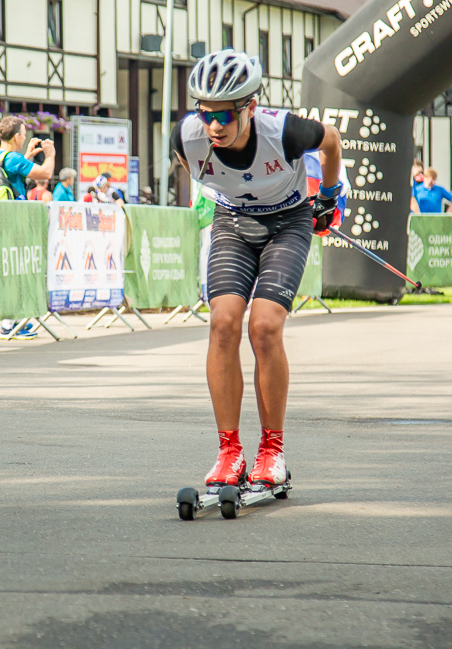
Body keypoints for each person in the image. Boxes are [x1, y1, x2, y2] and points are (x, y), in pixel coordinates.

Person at [171, 48, 342, 489]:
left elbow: (333, 140)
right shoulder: (186, 137)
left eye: (225, 116)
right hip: (234, 223)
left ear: (249, 107)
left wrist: (328, 195)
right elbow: (206, 176)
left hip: (288, 222)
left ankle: (272, 450)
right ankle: (229, 451)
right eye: (205, 113)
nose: (213, 126)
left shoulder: (284, 131)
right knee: (223, 323)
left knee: (264, 328)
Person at [0, 116, 56, 340]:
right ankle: (9, 324)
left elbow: (10, 171)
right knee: (17, 271)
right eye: (24, 134)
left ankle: (11, 322)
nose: (25, 137)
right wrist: (50, 154)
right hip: (15, 220)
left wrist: (27, 157)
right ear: (17, 137)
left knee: (9, 271)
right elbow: (45, 174)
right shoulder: (14, 158)